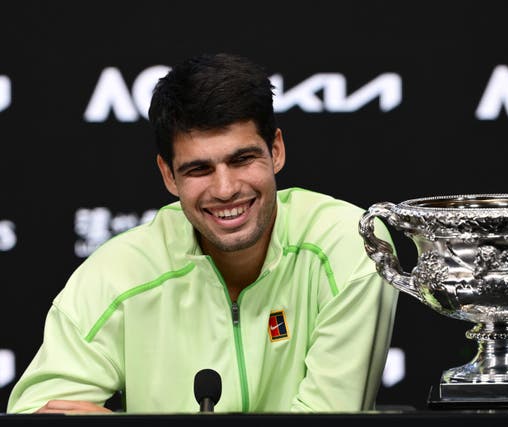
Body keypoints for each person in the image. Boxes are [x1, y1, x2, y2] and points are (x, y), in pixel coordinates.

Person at [6, 52, 399, 414]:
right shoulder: (119, 273)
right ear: (168, 175)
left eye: (242, 159)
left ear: (276, 150)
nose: (226, 189)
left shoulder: (352, 245)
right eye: (199, 169)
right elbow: (39, 413)